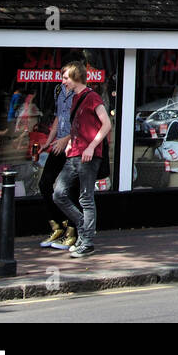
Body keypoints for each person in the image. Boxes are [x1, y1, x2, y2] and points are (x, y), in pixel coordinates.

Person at [52, 61, 112, 257]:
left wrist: (92, 146)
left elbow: (106, 124)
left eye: (66, 78)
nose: (63, 81)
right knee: (59, 193)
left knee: (86, 197)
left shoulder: (92, 97)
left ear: (76, 77)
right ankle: (83, 226)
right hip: (74, 153)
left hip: (88, 155)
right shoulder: (75, 98)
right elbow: (77, 126)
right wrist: (71, 142)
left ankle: (86, 242)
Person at [39, 78, 81, 250]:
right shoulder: (59, 90)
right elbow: (58, 117)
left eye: (66, 76)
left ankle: (73, 231)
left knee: (71, 189)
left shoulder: (82, 94)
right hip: (59, 144)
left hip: (75, 146)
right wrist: (49, 141)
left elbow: (83, 124)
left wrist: (66, 139)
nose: (63, 80)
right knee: (45, 183)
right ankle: (58, 224)